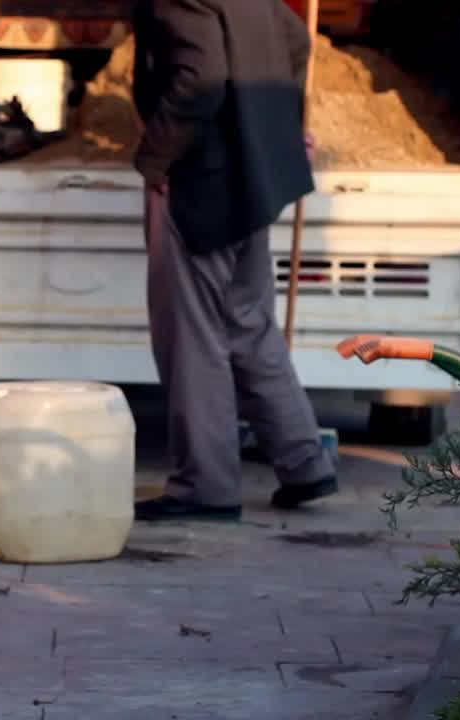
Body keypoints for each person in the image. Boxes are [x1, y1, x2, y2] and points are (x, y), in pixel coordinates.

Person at [131, 0, 337, 522]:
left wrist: (156, 155)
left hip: (199, 178)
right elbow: (296, 40)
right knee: (250, 325)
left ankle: (206, 486)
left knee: (192, 336)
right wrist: (275, 125)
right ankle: (305, 464)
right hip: (251, 179)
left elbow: (203, 75)